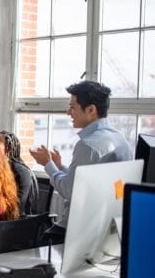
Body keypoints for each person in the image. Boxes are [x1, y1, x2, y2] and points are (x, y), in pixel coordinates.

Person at [29, 80, 133, 243]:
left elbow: (70, 192)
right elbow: (88, 182)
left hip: (78, 230)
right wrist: (60, 167)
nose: (68, 112)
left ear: (91, 109)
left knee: (37, 244)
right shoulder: (120, 139)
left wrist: (47, 165)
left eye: (72, 107)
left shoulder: (88, 145)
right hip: (108, 228)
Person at [0, 131, 39, 215]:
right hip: (0, 216)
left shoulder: (21, 171)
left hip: (17, 221)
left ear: (8, 148)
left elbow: (18, 206)